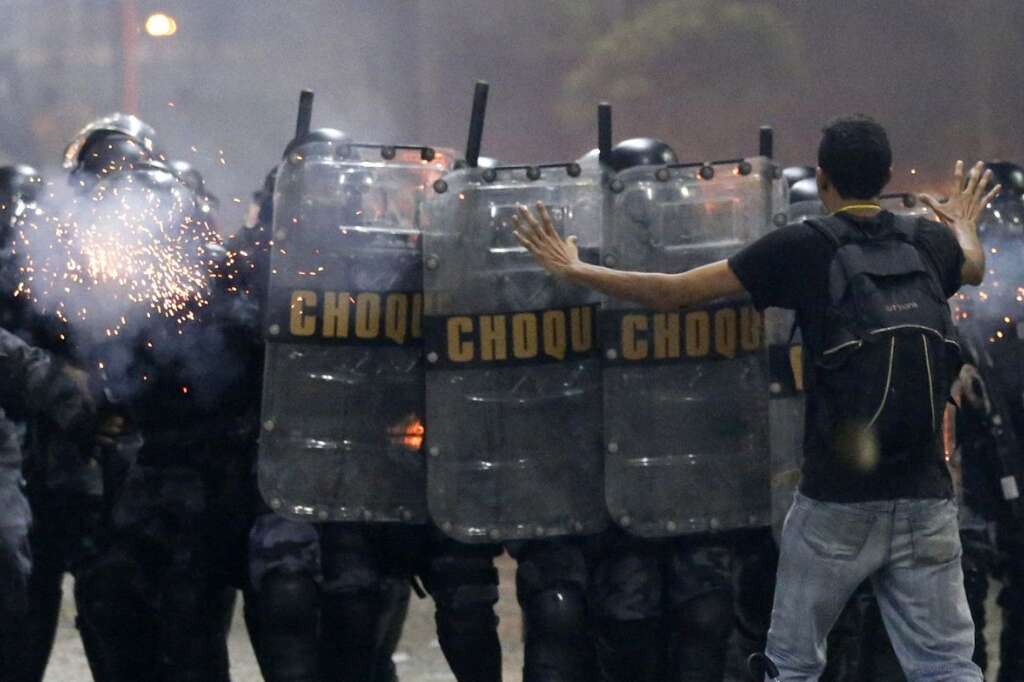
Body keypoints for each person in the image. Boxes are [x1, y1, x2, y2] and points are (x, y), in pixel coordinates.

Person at [512, 115, 999, 680]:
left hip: (835, 503)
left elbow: (677, 294)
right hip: (926, 499)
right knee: (945, 665)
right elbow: (976, 266)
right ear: (887, 174)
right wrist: (964, 222)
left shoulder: (804, 246)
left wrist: (576, 268)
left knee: (792, 664)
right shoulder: (928, 240)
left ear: (823, 180)